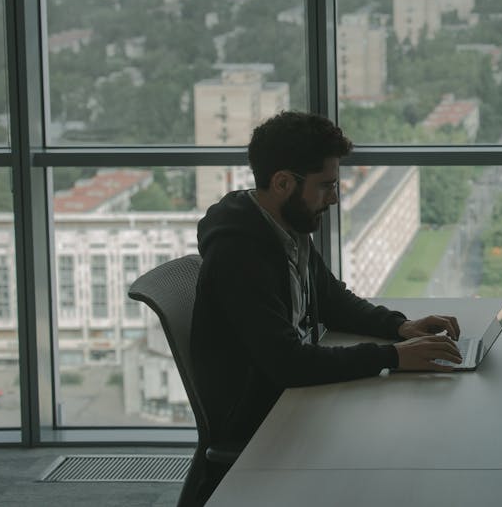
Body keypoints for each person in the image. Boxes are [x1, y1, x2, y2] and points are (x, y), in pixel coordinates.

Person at [191, 111, 461, 500]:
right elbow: (288, 363)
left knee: (406, 425)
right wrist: (394, 356)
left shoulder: (284, 224)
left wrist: (400, 328)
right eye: (326, 186)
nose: (334, 198)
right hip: (263, 416)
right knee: (397, 440)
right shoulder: (239, 253)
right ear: (283, 182)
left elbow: (331, 300)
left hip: (292, 394)